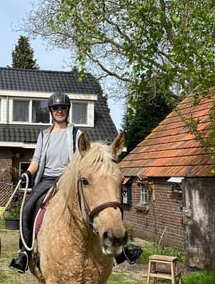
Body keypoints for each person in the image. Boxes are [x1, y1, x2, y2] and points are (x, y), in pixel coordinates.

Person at [9, 92, 141, 273]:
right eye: (55, 108)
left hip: (70, 180)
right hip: (48, 179)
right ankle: (24, 253)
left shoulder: (77, 134)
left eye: (62, 108)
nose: (59, 111)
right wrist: (28, 173)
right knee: (28, 207)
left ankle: (120, 248)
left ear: (67, 110)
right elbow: (36, 161)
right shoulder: (44, 135)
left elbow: (85, 159)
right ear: (51, 111)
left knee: (105, 200)